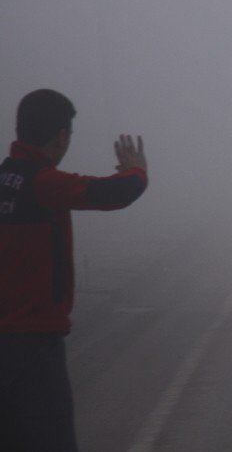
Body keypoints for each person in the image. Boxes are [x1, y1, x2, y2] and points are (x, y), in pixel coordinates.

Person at [0, 89, 148, 451]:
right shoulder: (45, 183)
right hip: (34, 346)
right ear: (61, 136)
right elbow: (116, 192)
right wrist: (136, 169)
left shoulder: (7, 179)